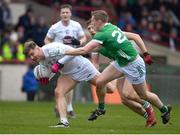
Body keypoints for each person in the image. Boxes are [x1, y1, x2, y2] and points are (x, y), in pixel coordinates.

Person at [64, 10, 172, 125]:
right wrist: (77, 45)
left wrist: (64, 51)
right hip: (120, 62)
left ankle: (164, 109)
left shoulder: (102, 34)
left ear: (99, 21)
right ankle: (101, 108)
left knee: (142, 95)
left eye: (93, 21)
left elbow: (85, 50)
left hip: (133, 64)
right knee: (100, 82)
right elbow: (90, 49)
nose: (92, 25)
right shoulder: (110, 28)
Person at [24, 41, 115, 128]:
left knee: (111, 89)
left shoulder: (52, 48)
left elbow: (74, 52)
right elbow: (52, 70)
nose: (32, 58)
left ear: (37, 48)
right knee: (59, 92)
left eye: (32, 54)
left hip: (83, 67)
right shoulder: (41, 61)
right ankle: (64, 122)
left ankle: (115, 68)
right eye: (30, 56)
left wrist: (60, 63)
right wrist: (47, 78)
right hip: (69, 74)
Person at [87, 21, 156, 127]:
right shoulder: (94, 44)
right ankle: (149, 117)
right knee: (124, 100)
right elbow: (95, 63)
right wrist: (95, 74)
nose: (91, 30)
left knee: (128, 94)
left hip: (130, 64)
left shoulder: (110, 35)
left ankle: (149, 106)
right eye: (89, 29)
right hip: (118, 66)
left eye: (92, 28)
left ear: (98, 28)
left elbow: (134, 37)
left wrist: (145, 53)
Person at [44, 4, 87, 118]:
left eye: (67, 12)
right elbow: (47, 39)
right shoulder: (55, 27)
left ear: (70, 13)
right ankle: (68, 107)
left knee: (68, 81)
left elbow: (84, 38)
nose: (65, 14)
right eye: (63, 12)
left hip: (74, 55)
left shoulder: (76, 25)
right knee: (68, 80)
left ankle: (63, 106)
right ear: (60, 14)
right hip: (60, 58)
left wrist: (79, 42)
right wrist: (52, 49)